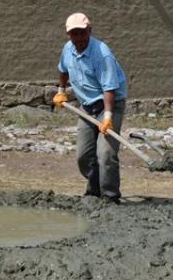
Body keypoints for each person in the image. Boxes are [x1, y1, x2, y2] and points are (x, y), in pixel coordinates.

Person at [52, 12, 128, 203]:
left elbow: (109, 88)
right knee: (83, 156)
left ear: (89, 31)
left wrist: (108, 117)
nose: (78, 38)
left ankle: (110, 197)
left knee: (106, 154)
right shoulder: (68, 49)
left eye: (82, 33)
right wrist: (61, 91)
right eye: (74, 33)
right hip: (86, 106)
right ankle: (94, 190)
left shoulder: (102, 54)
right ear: (68, 34)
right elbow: (63, 70)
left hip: (109, 104)